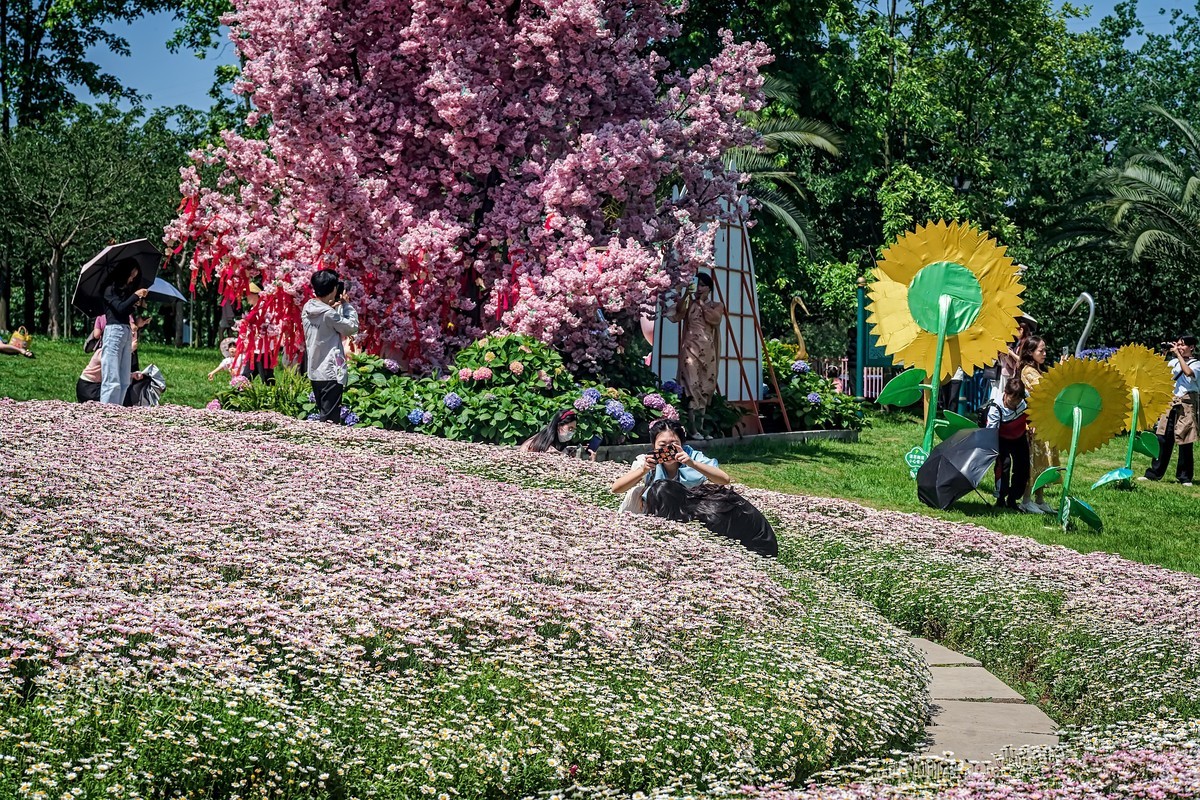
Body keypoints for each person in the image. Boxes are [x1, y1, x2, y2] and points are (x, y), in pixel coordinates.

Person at [611, 419, 777, 557]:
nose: (667, 450)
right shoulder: (646, 460)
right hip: (666, 505)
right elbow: (617, 488)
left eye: (673, 444)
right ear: (653, 445)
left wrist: (691, 463)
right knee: (635, 492)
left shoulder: (693, 456)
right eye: (662, 445)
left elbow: (723, 479)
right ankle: (623, 534)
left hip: (692, 508)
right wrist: (644, 470)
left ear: (682, 444)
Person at [667, 272, 724, 438]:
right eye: (697, 285)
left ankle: (701, 427)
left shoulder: (716, 305)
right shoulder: (689, 303)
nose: (699, 288)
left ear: (709, 288)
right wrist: (687, 294)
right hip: (690, 349)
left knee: (705, 387)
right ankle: (693, 429)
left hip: (708, 352)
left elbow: (715, 319)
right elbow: (678, 312)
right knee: (692, 386)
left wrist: (701, 303)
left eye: (702, 285)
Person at [1141, 335, 1200, 486]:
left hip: (1186, 403)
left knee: (1185, 439)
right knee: (1163, 439)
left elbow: (1188, 373)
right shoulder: (1173, 362)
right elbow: (1158, 372)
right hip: (1171, 402)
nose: (1179, 347)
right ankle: (1154, 473)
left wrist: (1179, 355)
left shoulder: (1196, 364)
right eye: (1178, 345)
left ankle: (1185, 477)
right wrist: (1164, 354)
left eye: (1182, 345)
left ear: (1191, 347)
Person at [303, 269, 359, 422]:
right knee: (330, 421)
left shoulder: (307, 308)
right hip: (331, 371)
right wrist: (346, 306)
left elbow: (324, 323)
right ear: (334, 289)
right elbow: (351, 327)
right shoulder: (329, 314)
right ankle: (324, 446)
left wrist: (332, 306)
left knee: (324, 414)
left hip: (315, 370)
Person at [99, 259, 149, 405]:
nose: (132, 279)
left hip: (126, 331)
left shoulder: (124, 291)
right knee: (112, 377)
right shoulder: (109, 290)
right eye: (131, 275)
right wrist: (135, 296)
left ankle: (118, 409)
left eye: (134, 276)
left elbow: (125, 310)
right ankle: (106, 410)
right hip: (113, 331)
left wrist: (137, 303)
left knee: (124, 379)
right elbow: (119, 308)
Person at [1018, 336, 1058, 513]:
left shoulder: (1040, 370)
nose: (1044, 353)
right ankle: (1026, 500)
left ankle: (1040, 499)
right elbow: (1045, 388)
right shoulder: (1027, 371)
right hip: (1033, 423)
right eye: (1040, 350)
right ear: (1030, 352)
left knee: (1044, 460)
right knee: (1033, 461)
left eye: (1045, 350)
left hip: (1044, 422)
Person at [986, 377, 1030, 510]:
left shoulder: (1026, 398)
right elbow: (990, 432)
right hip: (1001, 438)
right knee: (1004, 465)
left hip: (1019, 436)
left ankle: (1013, 498)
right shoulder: (995, 407)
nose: (1015, 402)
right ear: (1005, 393)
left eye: (1019, 399)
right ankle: (1001, 498)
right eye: (1013, 399)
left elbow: (1033, 413)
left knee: (1023, 468)